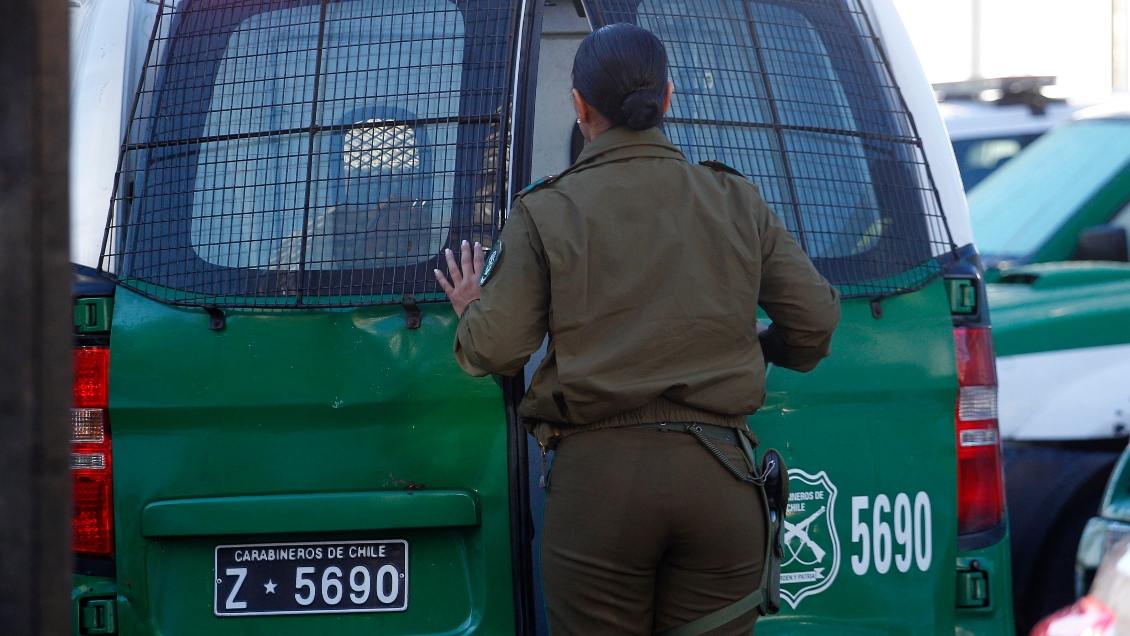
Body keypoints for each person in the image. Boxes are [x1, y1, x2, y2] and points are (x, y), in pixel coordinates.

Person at [434, 23, 840, 636]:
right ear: (667, 98)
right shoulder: (735, 198)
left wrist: (472, 310)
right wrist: (757, 345)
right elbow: (815, 322)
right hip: (723, 482)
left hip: (601, 493)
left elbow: (495, 350)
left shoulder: (547, 209)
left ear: (579, 107)